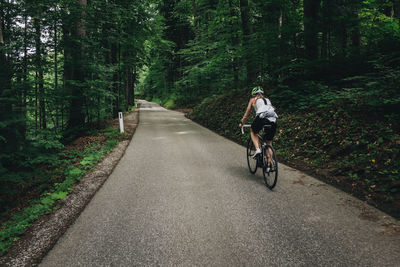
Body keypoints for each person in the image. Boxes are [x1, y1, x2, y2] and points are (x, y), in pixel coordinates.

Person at [239, 86, 277, 169]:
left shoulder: (253, 100)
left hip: (261, 118)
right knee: (269, 142)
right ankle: (269, 164)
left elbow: (247, 114)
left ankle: (257, 149)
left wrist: (242, 122)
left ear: (253, 94)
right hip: (273, 119)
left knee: (253, 131)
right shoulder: (267, 100)